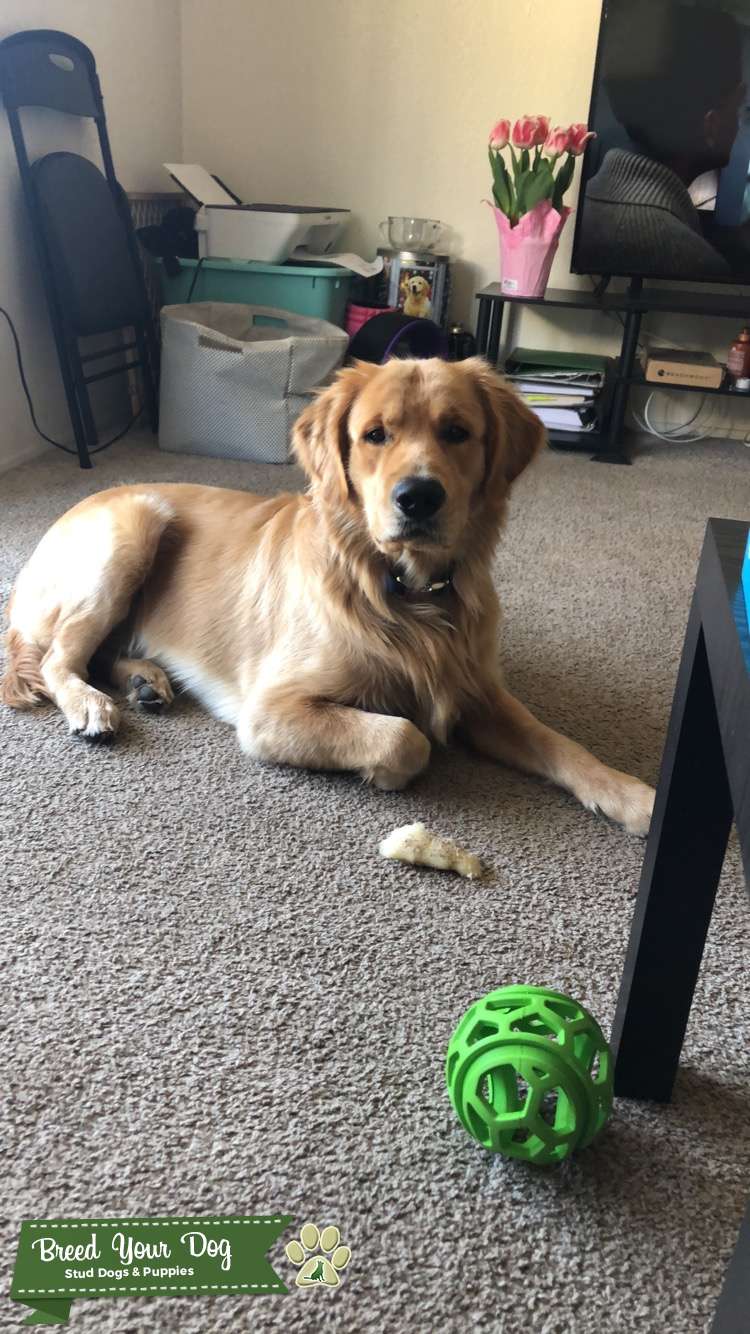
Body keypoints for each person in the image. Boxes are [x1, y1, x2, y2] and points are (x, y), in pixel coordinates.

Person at [576, 1, 746, 280]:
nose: (739, 124)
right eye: (737, 107)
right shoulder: (689, 258)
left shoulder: (589, 200)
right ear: (711, 125)